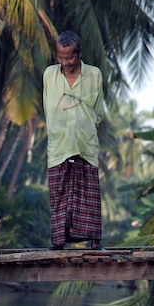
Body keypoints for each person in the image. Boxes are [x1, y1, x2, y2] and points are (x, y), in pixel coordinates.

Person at [42, 30, 105, 250]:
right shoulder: (49, 74)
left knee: (89, 192)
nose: (64, 62)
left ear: (79, 53)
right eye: (60, 57)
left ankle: (95, 241)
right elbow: (47, 106)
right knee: (58, 191)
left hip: (85, 142)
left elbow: (98, 112)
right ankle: (58, 241)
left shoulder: (94, 74)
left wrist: (83, 125)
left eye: (69, 57)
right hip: (59, 143)